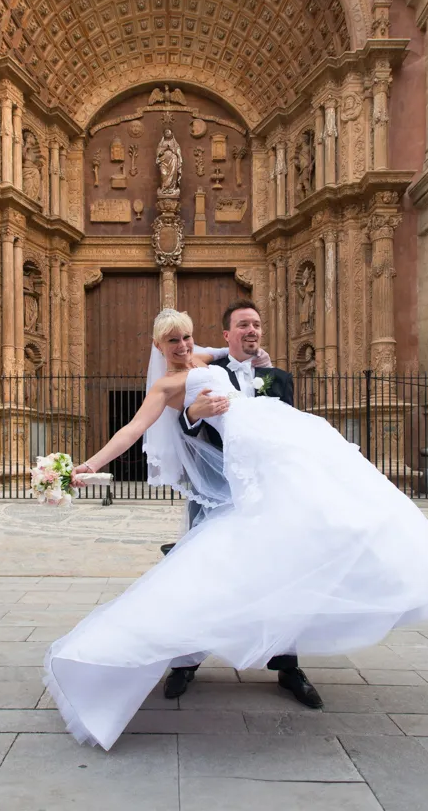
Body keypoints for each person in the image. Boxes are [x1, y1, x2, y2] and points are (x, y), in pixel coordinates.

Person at [44, 308, 428, 751]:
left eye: (187, 337)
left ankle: (291, 655)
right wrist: (92, 463)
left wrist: (256, 354)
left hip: (274, 445)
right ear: (158, 346)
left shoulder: (210, 360)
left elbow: (235, 350)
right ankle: (179, 658)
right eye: (172, 341)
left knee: (314, 530)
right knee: (210, 568)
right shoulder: (167, 385)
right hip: (238, 468)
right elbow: (133, 429)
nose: (183, 346)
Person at [161, 301, 320, 708]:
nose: (252, 330)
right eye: (242, 325)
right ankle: (185, 661)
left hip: (265, 493)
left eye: (257, 325)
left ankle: (287, 665)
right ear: (226, 335)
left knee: (278, 575)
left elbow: (287, 431)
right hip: (216, 491)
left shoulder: (278, 378)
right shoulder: (204, 373)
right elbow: (182, 423)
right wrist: (194, 414)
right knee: (200, 575)